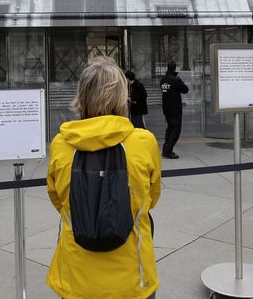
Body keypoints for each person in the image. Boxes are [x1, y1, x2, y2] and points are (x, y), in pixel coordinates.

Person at [47, 57, 161, 299]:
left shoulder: (61, 144)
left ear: (82, 95)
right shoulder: (144, 142)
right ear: (121, 97)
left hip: (76, 276)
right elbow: (152, 198)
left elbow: (57, 199)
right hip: (132, 276)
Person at [159, 61, 188, 159]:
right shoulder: (175, 80)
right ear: (175, 68)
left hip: (166, 108)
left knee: (170, 128)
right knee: (176, 130)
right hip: (175, 109)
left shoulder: (163, 80)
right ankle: (168, 150)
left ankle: (165, 149)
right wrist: (178, 80)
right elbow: (185, 89)